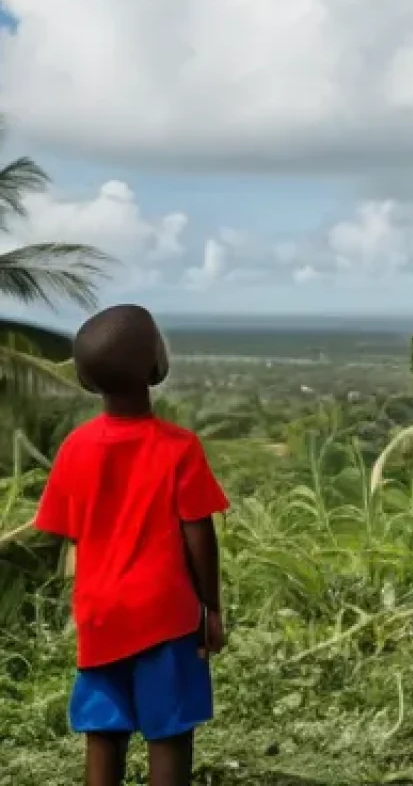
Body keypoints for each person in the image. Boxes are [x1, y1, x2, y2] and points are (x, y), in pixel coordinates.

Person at [34, 304, 230, 786]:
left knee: (104, 732)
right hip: (165, 616)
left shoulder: (75, 448)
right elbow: (199, 534)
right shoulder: (178, 447)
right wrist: (211, 609)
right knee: (168, 734)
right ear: (152, 365)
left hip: (101, 615)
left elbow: (67, 530)